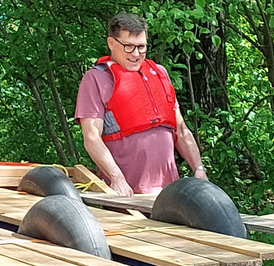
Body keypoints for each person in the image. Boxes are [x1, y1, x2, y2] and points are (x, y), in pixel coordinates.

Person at [75, 12, 207, 195]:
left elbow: (181, 130)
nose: (136, 54)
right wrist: (116, 178)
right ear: (111, 43)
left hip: (169, 195)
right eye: (128, 47)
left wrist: (199, 169)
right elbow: (91, 137)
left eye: (141, 47)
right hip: (127, 194)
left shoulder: (159, 73)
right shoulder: (96, 79)